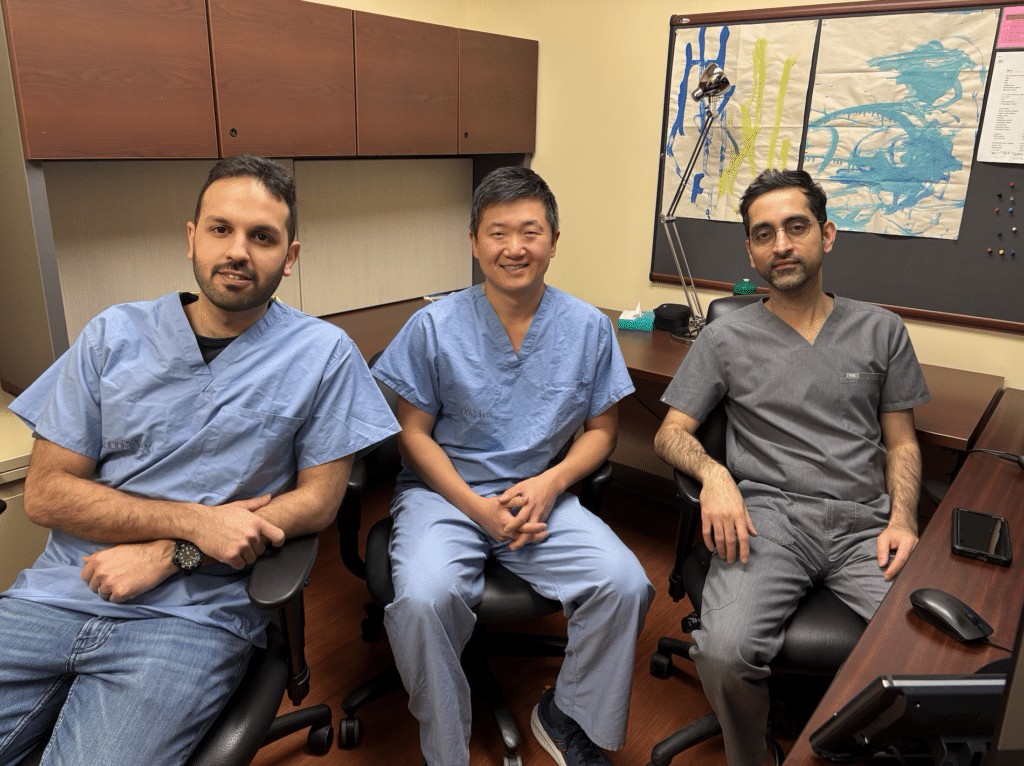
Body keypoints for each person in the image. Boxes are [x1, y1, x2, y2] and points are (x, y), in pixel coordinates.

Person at [0, 154, 400, 766]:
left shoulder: (323, 355)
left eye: (262, 237)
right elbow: (47, 494)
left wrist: (171, 554)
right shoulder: (113, 335)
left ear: (289, 257)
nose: (238, 250)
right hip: (56, 594)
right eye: (221, 229)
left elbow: (319, 501)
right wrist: (192, 522)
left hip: (194, 617)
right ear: (191, 239)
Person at [371, 166, 654, 766]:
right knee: (424, 599)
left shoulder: (586, 327)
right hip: (444, 495)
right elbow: (412, 436)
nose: (515, 248)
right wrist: (476, 508)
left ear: (553, 241)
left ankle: (565, 714)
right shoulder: (435, 325)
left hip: (538, 495)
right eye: (498, 233)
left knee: (625, 583)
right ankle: (445, 750)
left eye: (530, 232)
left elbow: (603, 431)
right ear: (474, 243)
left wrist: (552, 483)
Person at [653, 169, 931, 766]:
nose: (780, 244)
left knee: (933, 651)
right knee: (723, 652)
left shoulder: (880, 330)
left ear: (826, 235)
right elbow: (669, 434)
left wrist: (904, 518)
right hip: (770, 522)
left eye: (795, 227)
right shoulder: (725, 338)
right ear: (750, 250)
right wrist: (717, 475)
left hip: (865, 525)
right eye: (763, 234)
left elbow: (903, 445)